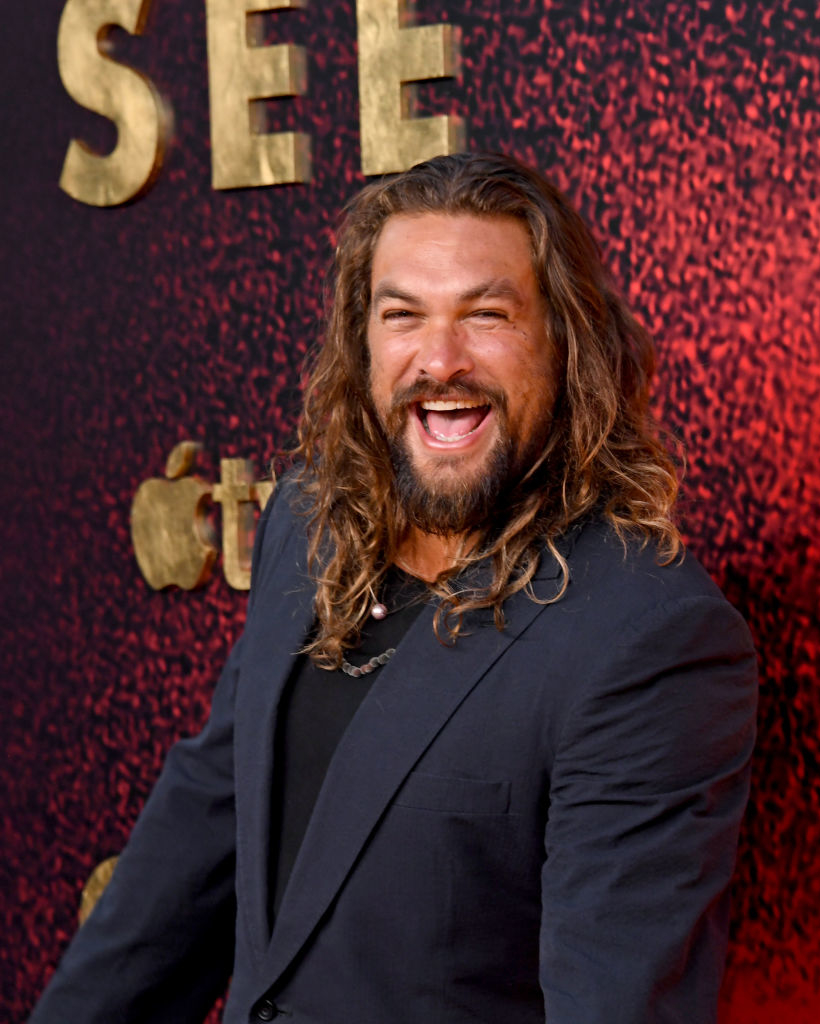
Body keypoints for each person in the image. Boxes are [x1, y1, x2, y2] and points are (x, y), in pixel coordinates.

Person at [29, 153, 758, 1024]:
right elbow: (204, 834)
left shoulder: (650, 639)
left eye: (486, 314)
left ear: (567, 344)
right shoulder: (307, 519)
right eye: (402, 315)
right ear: (362, 340)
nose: (438, 360)